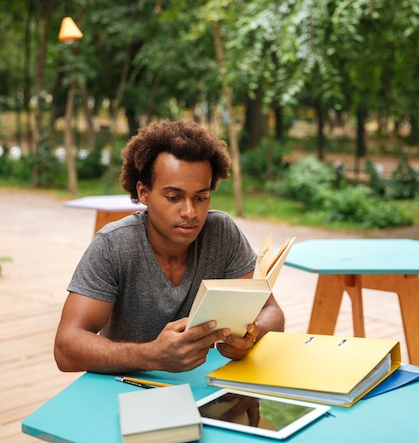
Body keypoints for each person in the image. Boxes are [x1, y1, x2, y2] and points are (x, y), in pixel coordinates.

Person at [54, 120, 285, 374]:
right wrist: (151, 356)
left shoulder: (221, 233)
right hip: (126, 389)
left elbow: (271, 312)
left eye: (201, 197)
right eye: (174, 197)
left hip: (207, 387)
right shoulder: (114, 245)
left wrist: (252, 335)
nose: (190, 212)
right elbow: (66, 348)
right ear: (143, 193)